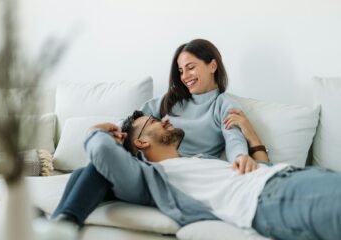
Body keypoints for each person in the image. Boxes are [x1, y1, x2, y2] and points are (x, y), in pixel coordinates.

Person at [51, 39, 268, 226]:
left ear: (213, 66)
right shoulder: (169, 101)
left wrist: (240, 157)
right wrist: (116, 133)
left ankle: (62, 223)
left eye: (191, 67)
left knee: (90, 172)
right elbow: (132, 122)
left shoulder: (223, 105)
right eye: (181, 71)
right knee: (90, 171)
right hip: (146, 167)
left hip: (184, 175)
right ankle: (62, 225)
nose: (185, 76)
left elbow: (233, 138)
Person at [86, 110, 341, 240]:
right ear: (140, 143)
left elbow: (262, 168)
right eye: (153, 121)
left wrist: (250, 135)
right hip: (270, 198)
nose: (164, 119)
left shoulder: (199, 161)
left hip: (287, 179)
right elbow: (103, 154)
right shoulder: (150, 177)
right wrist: (98, 131)